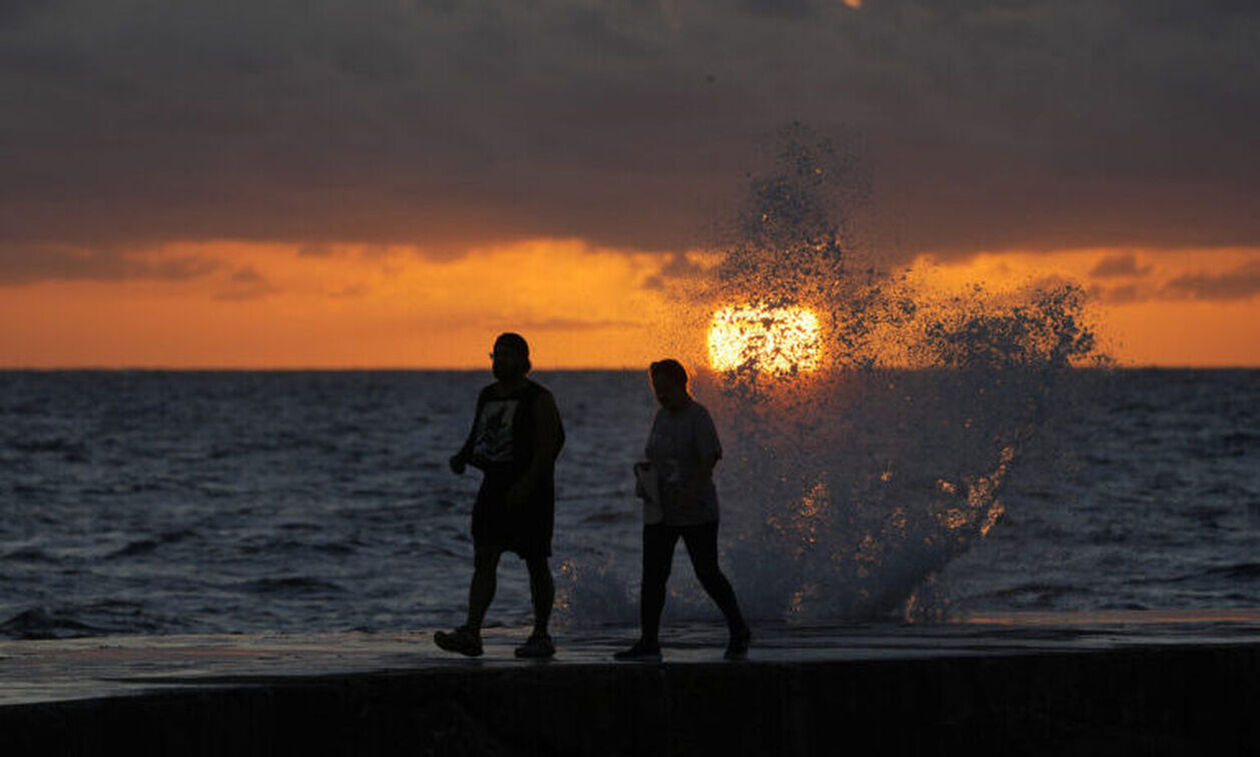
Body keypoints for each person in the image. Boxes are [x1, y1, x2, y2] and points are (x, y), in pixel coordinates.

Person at [435, 333, 565, 658]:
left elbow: (551, 445)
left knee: (536, 562)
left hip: (531, 491)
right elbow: (478, 432)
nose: (500, 361)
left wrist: (528, 483)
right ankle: (472, 632)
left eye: (507, 355)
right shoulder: (488, 395)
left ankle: (540, 634)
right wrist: (463, 456)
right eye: (496, 355)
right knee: (484, 558)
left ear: (524, 360)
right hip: (493, 487)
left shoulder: (538, 397)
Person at [615, 359, 750, 661]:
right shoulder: (661, 416)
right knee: (653, 576)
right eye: (656, 390)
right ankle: (649, 641)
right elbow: (657, 455)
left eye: (665, 389)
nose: (661, 396)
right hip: (660, 509)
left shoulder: (698, 416)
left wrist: (691, 489)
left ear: (681, 384)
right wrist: (645, 476)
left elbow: (710, 458)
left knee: (707, 572)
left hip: (696, 510)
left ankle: (738, 629)